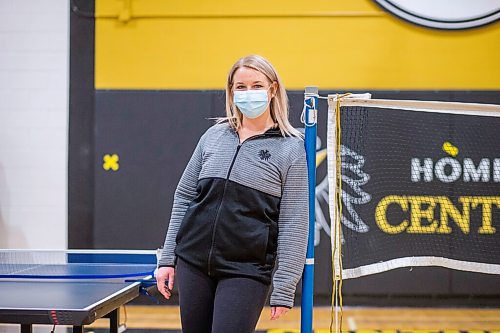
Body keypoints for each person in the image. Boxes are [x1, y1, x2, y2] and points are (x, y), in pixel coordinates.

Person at [156, 54, 309, 333]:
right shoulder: (213, 136)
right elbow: (184, 197)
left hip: (246, 270)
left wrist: (284, 286)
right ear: (231, 91)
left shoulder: (291, 149)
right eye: (240, 87)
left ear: (273, 89)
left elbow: (294, 223)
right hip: (194, 263)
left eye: (256, 85)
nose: (248, 93)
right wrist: (168, 259)